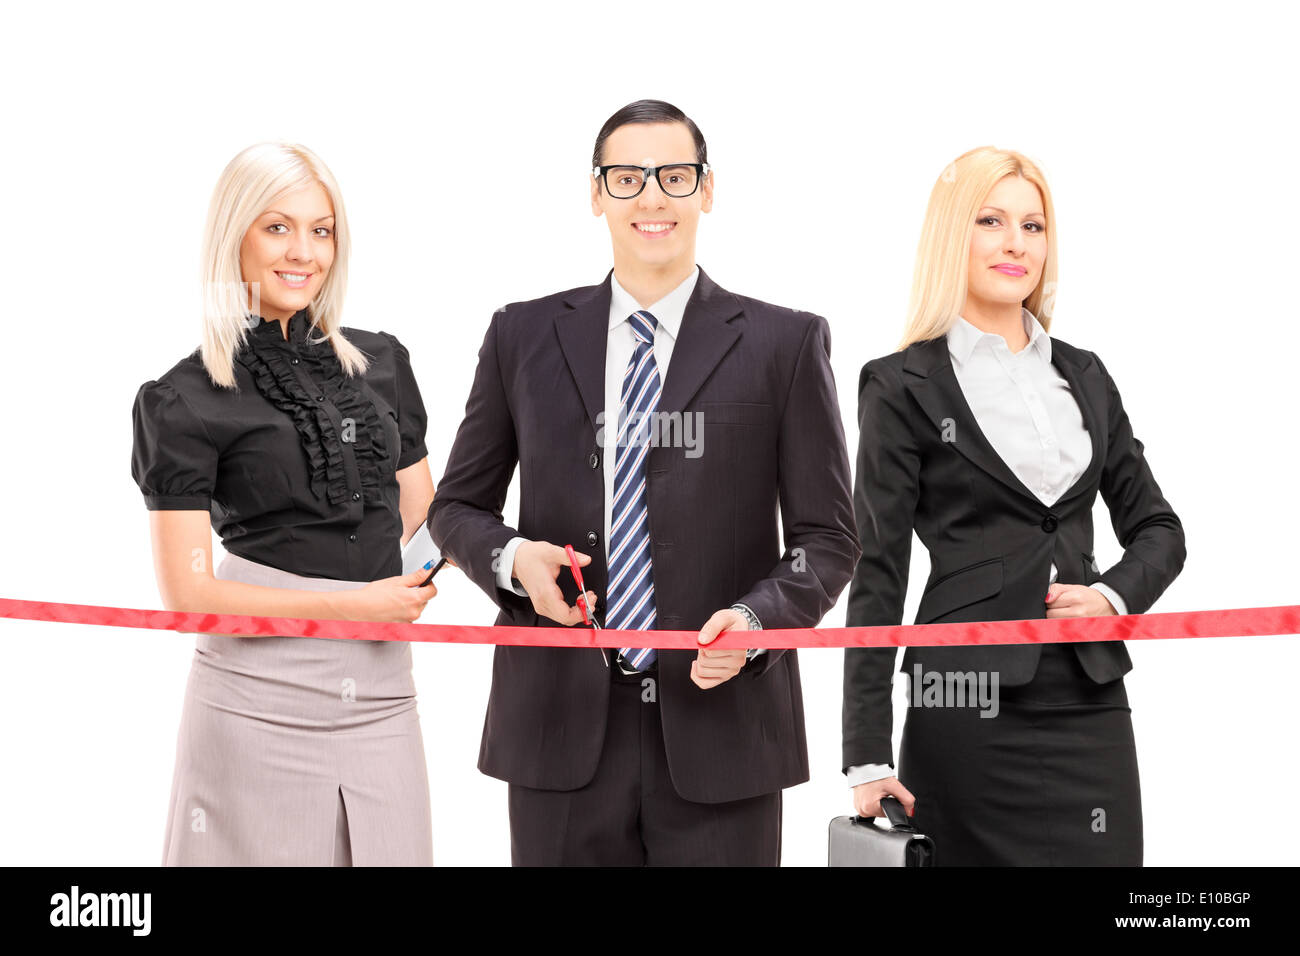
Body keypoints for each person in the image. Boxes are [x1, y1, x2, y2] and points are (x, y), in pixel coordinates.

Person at [428, 99, 860, 865]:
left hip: (724, 728)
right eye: (627, 177)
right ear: (596, 193)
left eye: (673, 175)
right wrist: (511, 561)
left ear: (707, 190)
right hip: (557, 731)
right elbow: (457, 505)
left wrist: (757, 620)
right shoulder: (521, 334)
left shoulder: (784, 342)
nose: (652, 196)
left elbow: (828, 539)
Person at [842, 146, 1186, 865]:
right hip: (961, 702)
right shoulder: (902, 384)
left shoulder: (1086, 376)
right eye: (991, 220)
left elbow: (1158, 527)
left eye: (1034, 226)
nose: (1015, 243)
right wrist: (867, 753)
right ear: (952, 236)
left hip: (1089, 698)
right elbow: (878, 567)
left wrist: (1111, 594)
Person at [130, 142, 438, 865]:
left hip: (383, 697)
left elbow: (427, 519)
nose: (303, 251)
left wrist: (512, 556)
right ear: (234, 233)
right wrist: (358, 607)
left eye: (321, 229)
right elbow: (188, 596)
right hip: (252, 702)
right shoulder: (184, 398)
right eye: (277, 227)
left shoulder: (383, 362)